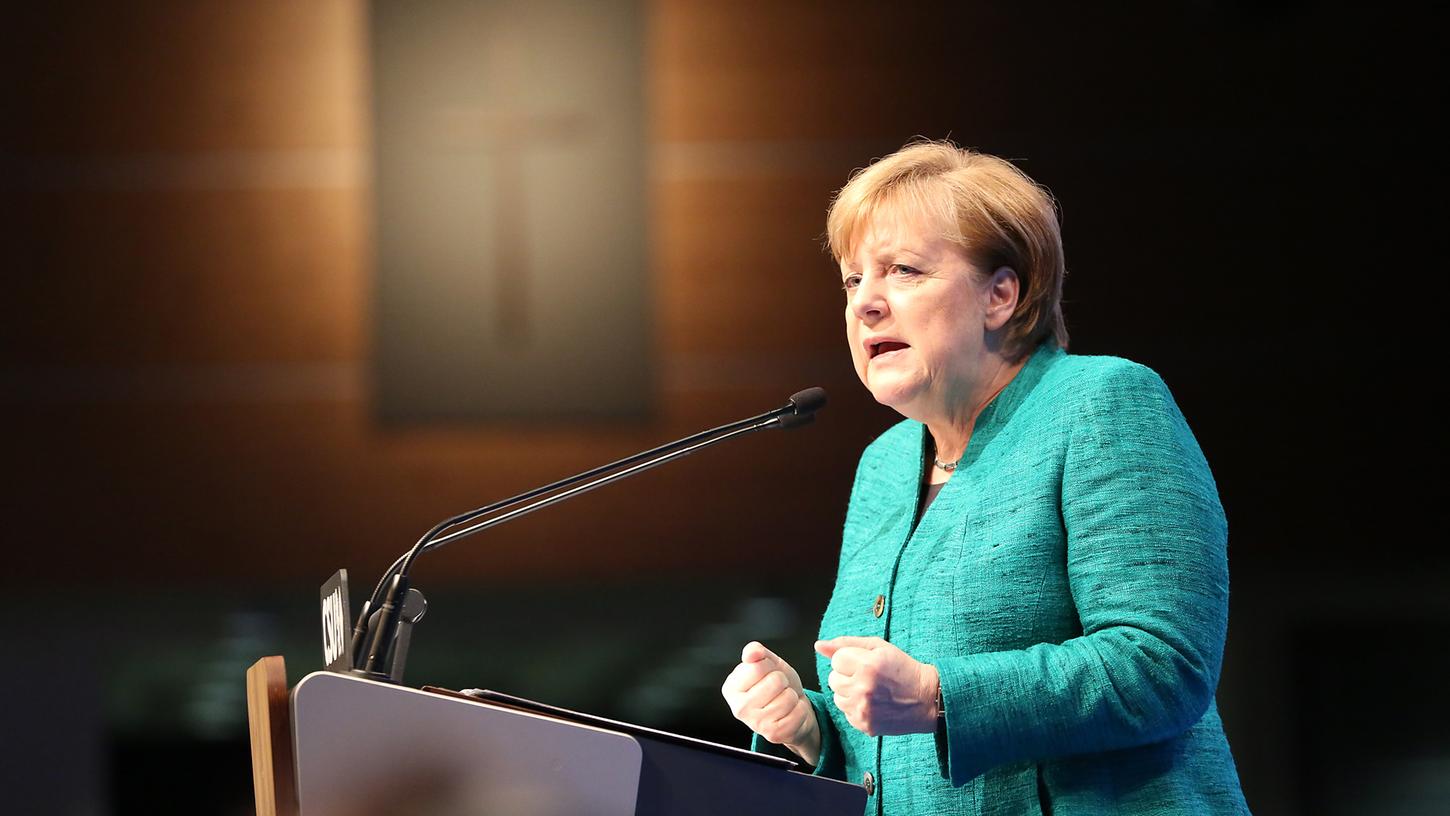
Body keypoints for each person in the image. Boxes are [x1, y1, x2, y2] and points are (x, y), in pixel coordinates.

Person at [720, 140, 1249, 814]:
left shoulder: (1103, 402)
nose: (865, 305)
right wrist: (811, 728)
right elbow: (901, 739)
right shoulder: (883, 465)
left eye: (902, 270)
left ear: (1002, 293)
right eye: (854, 279)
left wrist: (939, 695)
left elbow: (1163, 666)